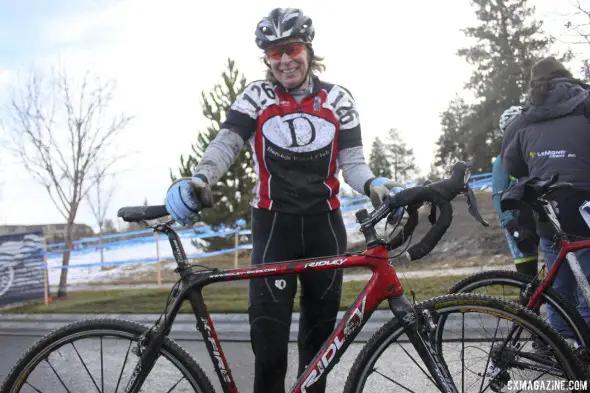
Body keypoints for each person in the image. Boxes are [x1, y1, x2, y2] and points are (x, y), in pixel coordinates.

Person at [164, 8, 401, 393]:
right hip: (274, 228)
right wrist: (202, 175)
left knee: (319, 351)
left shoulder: (337, 99)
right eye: (275, 53)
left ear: (307, 50)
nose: (285, 60)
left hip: (325, 226)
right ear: (267, 59)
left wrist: (374, 183)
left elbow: (353, 163)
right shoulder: (256, 96)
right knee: (270, 350)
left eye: (291, 49)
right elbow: (229, 141)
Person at [503, 56, 590, 338]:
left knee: (559, 290)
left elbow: (512, 166)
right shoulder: (585, 103)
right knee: (587, 286)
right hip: (584, 206)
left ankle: (565, 355)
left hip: (546, 208)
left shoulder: (522, 119)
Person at [492, 106, 539, 277]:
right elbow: (497, 197)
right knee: (528, 278)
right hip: (517, 222)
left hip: (540, 220)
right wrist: (512, 226)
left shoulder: (533, 153)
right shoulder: (501, 161)